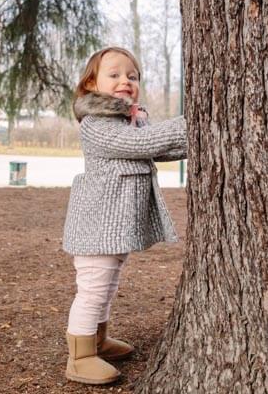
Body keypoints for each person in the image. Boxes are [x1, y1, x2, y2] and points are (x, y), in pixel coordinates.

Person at [62, 47, 187, 384]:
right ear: (91, 83)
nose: (125, 81)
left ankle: (98, 340)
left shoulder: (128, 120)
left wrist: (198, 139)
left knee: (107, 284)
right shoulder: (96, 124)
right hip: (96, 225)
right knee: (92, 288)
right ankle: (80, 355)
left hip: (112, 227)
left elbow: (157, 146)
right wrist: (195, 123)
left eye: (132, 76)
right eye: (114, 75)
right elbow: (141, 144)